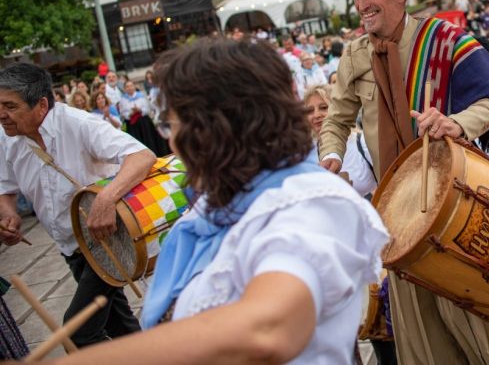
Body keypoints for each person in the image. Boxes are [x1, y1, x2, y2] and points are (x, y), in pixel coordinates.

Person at [46, 39, 388, 365]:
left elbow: (268, 331)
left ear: (219, 129)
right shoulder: (214, 206)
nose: (172, 143)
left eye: (172, 126)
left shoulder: (310, 203)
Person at [318, 0, 489, 364]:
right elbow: (336, 121)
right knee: (424, 341)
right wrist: (331, 158)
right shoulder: (354, 56)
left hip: (459, 206)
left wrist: (457, 123)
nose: (362, 4)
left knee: (483, 332)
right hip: (398, 214)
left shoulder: (445, 41)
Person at [0, 63, 156, 347]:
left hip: (107, 242)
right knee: (120, 325)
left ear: (41, 105)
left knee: (78, 333)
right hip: (70, 249)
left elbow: (142, 156)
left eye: (10, 106)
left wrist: (106, 199)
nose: (1, 114)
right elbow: (5, 188)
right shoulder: (6, 137)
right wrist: (9, 215)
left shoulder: (79, 123)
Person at [304, 85, 376, 198]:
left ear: (338, 111)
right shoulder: (306, 154)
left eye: (323, 107)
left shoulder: (363, 143)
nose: (316, 115)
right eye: (310, 111)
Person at [118, 81, 169, 157]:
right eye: (127, 86)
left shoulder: (141, 96)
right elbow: (122, 112)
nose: (129, 88)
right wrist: (130, 113)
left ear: (134, 87)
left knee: (148, 139)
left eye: (131, 85)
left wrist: (140, 110)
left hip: (144, 121)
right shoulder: (123, 100)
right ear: (125, 89)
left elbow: (147, 108)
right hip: (132, 125)